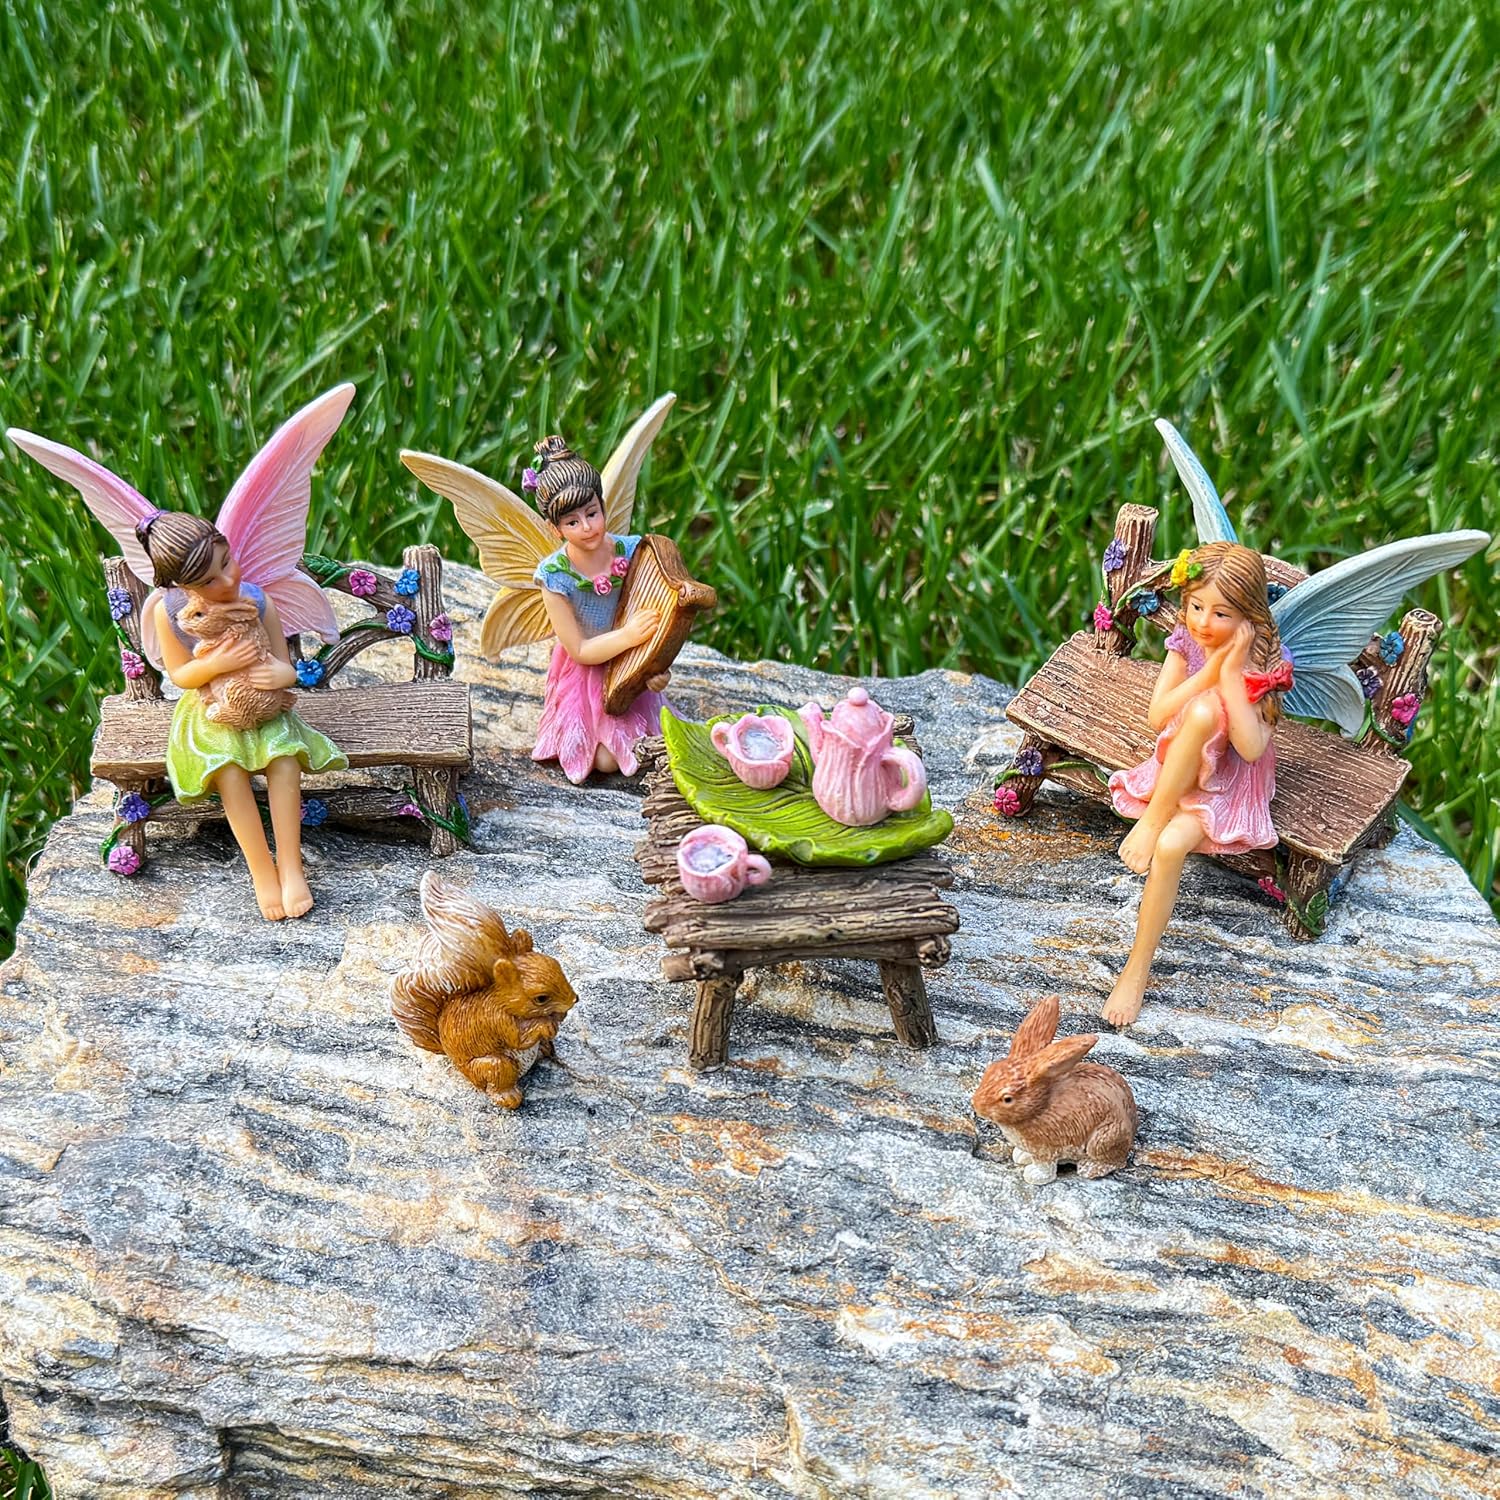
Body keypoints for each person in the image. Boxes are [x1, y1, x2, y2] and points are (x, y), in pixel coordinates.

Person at [1103, 542, 1287, 1025]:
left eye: (1221, 613)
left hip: (1229, 787)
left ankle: (1136, 969)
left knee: (1169, 848)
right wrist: (1207, 674)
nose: (1204, 622)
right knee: (1202, 710)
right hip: (1178, 769)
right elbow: (1157, 715)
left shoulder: (1266, 661)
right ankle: (1154, 818)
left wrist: (1231, 673)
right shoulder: (1187, 643)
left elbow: (1250, 747)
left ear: (1248, 617)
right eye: (1196, 606)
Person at [141, 512, 347, 920]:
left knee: (284, 762)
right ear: (182, 586)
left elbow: (285, 664)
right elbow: (181, 674)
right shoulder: (171, 613)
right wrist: (218, 664)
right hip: (211, 710)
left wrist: (280, 675)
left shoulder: (256, 600)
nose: (228, 580)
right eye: (208, 581)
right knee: (229, 771)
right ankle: (261, 872)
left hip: (264, 705)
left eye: (227, 562)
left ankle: (291, 867)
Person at [528, 436, 670, 782]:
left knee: (631, 747)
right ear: (554, 528)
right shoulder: (554, 577)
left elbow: (658, 610)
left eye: (592, 513)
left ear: (603, 506)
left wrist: (656, 664)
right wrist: (628, 636)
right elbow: (579, 649)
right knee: (604, 761)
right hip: (587, 669)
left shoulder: (633, 550)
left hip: (629, 661)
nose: (587, 527)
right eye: (572, 522)